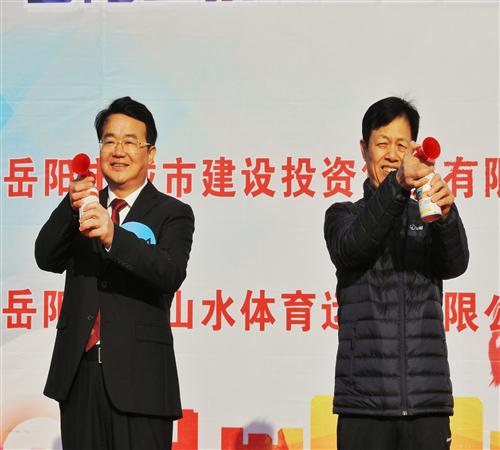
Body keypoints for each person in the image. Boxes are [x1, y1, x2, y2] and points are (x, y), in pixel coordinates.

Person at [35, 97, 194, 450]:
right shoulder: (84, 206)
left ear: (150, 153)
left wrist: (112, 235)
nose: (118, 151)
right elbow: (45, 256)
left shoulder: (173, 213)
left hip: (142, 382)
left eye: (130, 141)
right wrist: (70, 206)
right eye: (109, 141)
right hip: (79, 376)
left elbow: (169, 272)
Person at [324, 97, 469, 450]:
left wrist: (446, 217)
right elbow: (353, 247)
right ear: (364, 149)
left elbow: (455, 264)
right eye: (382, 144)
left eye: (401, 145)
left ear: (414, 150)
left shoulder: (428, 215)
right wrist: (398, 186)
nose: (392, 155)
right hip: (364, 404)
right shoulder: (343, 215)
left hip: (426, 402)